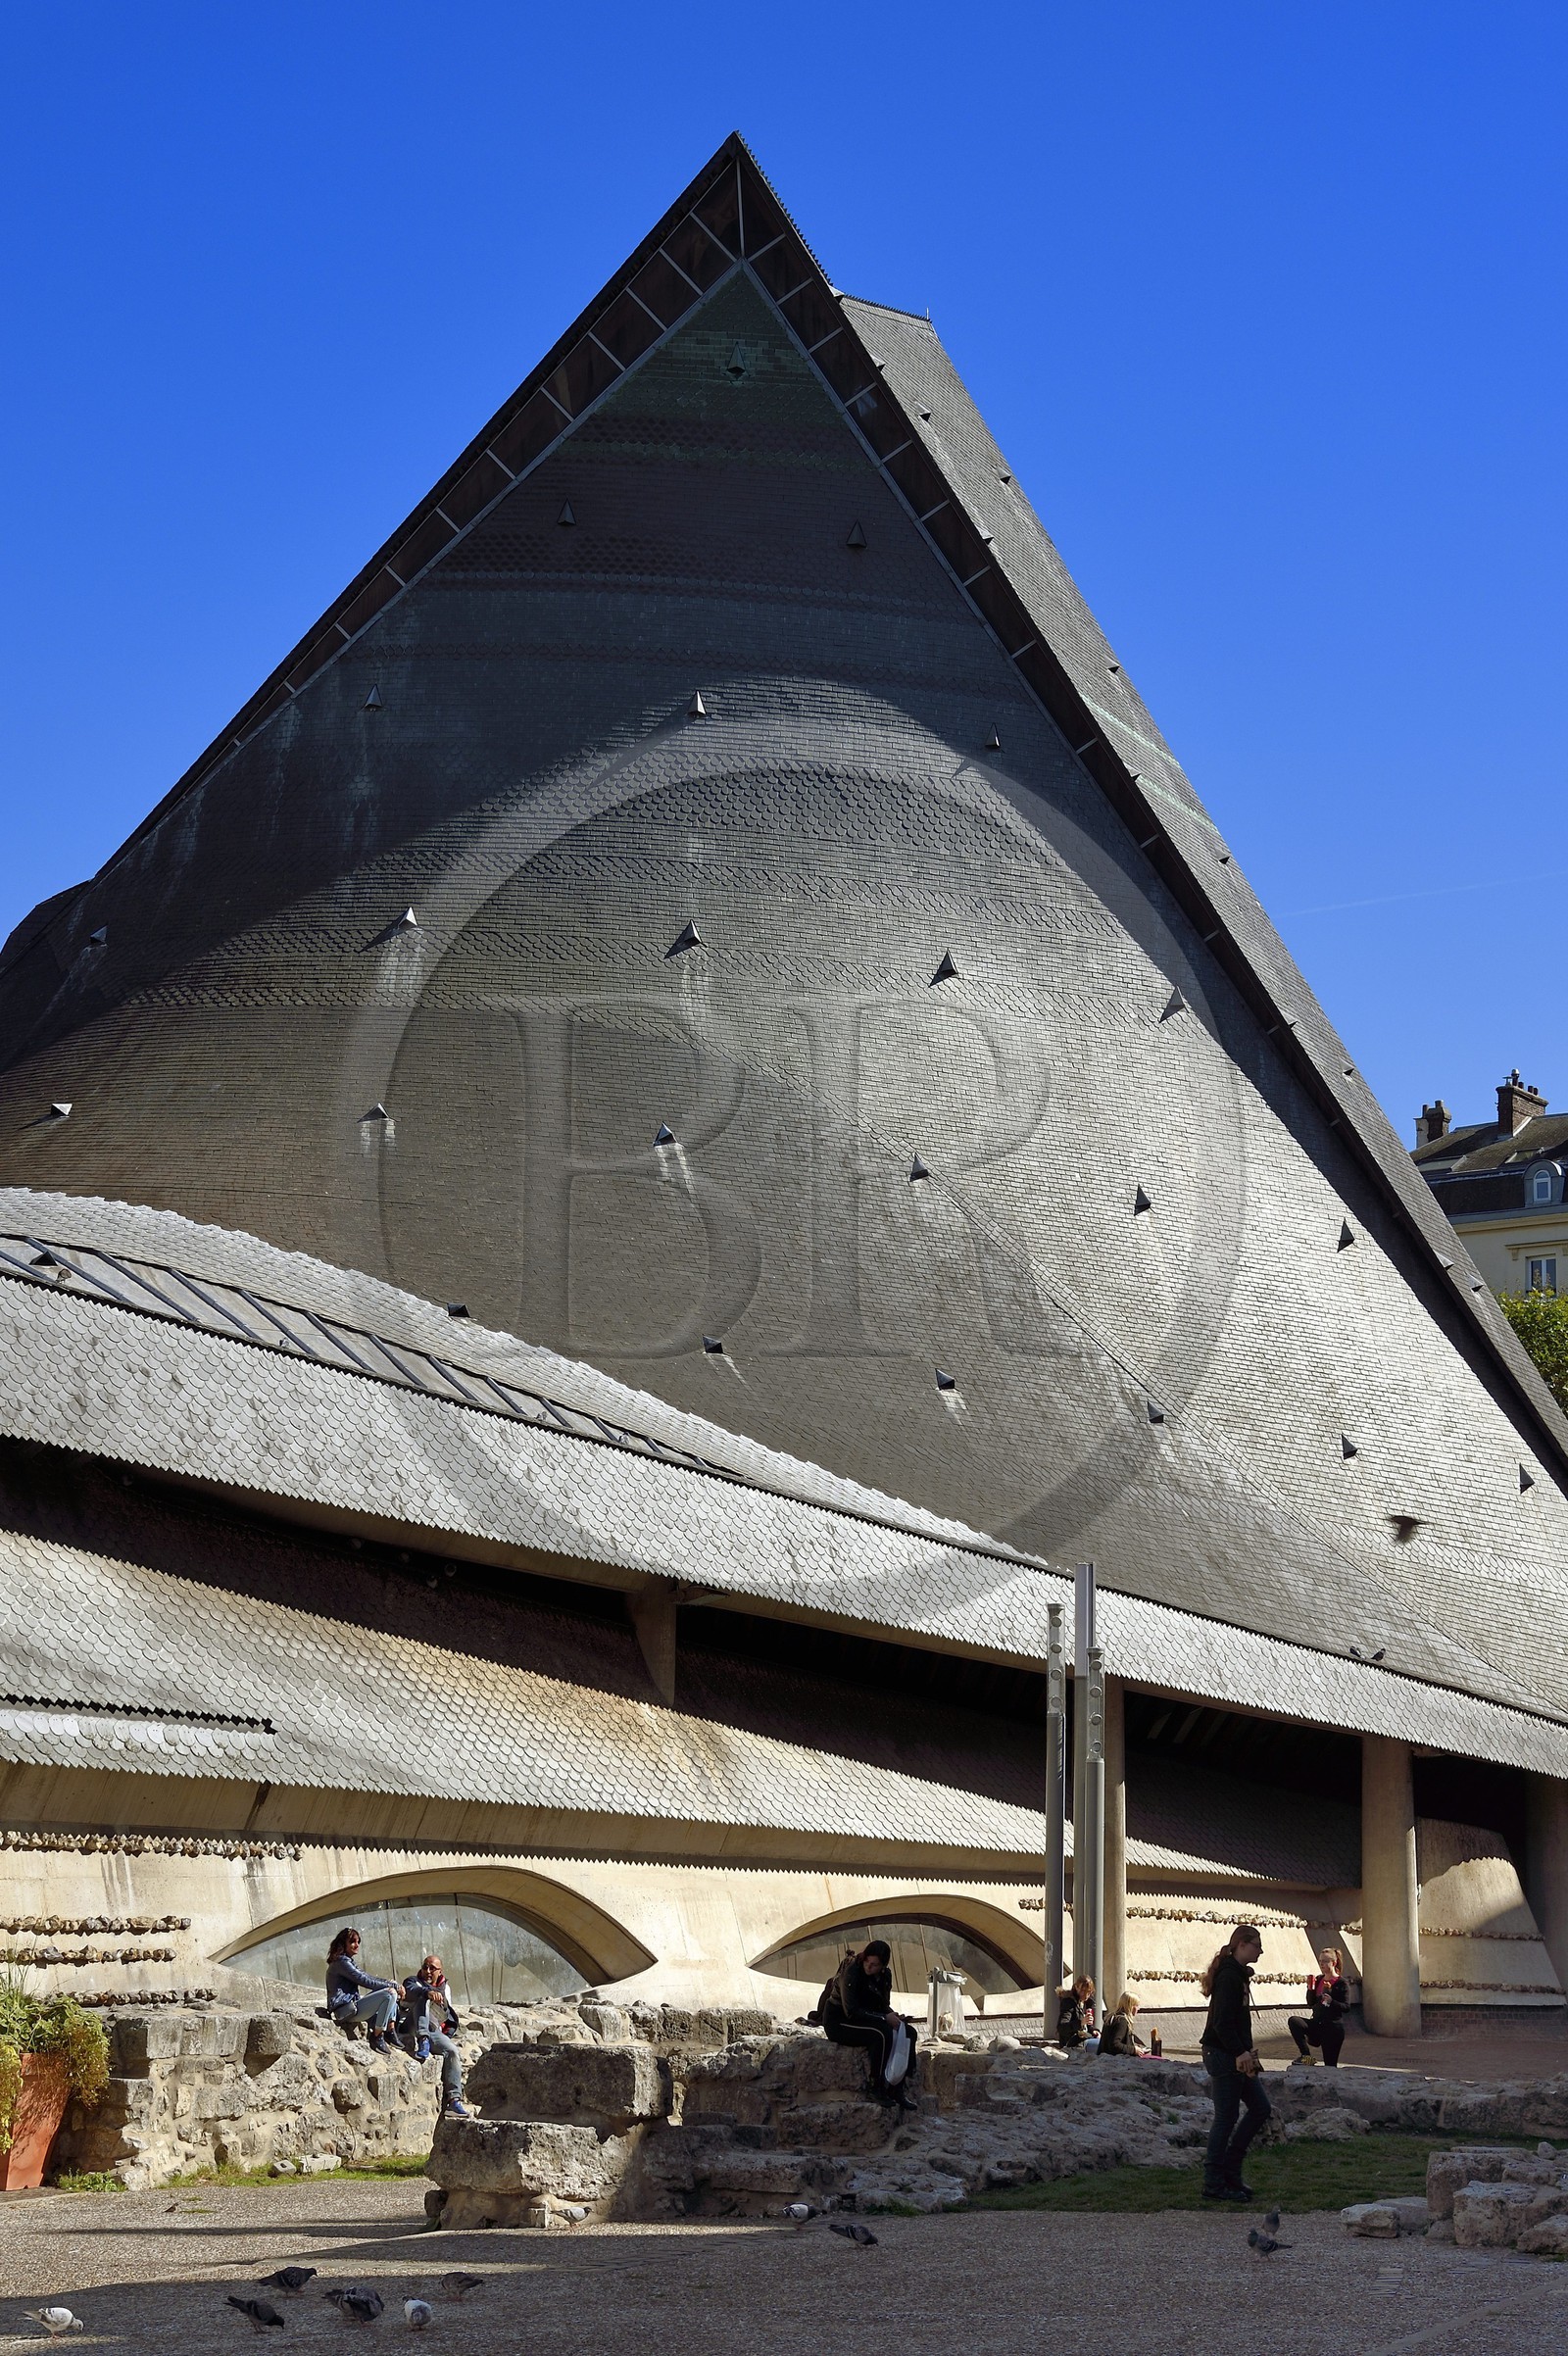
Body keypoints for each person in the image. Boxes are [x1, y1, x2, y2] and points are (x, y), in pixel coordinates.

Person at [1200, 1923, 1270, 2201]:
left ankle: (1230, 2171)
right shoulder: (1230, 1976)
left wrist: (1247, 2051)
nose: (1261, 1951)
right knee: (1226, 2118)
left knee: (1260, 2108)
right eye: (1256, 1945)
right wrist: (1240, 2052)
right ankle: (1214, 2182)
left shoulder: (1238, 1975)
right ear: (1242, 1944)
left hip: (1235, 2054)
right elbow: (1221, 2023)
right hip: (1223, 2055)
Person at [820, 1939, 918, 2109]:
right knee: (881, 2034)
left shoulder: (884, 1976)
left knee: (909, 2033)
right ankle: (876, 2086)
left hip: (867, 2016)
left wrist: (891, 2015)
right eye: (867, 1962)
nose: (869, 1967)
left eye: (874, 1965)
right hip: (841, 2020)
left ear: (882, 1965)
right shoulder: (852, 1972)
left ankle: (898, 2088)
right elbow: (851, 2010)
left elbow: (881, 2004)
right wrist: (883, 2018)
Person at [401, 1954, 470, 2117]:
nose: (428, 1971)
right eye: (425, 1967)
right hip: (412, 2025)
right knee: (423, 1997)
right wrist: (428, 1992)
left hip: (433, 2029)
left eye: (432, 1968)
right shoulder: (412, 1981)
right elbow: (411, 1991)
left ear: (440, 1971)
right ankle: (423, 2039)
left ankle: (454, 2100)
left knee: (452, 2051)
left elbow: (446, 2012)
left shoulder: (445, 1988)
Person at [324, 1927, 398, 2052]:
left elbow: (367, 1977)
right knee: (389, 1994)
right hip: (345, 2010)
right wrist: (394, 1986)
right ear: (343, 1944)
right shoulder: (342, 1962)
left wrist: (390, 1983)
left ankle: (390, 2030)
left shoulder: (347, 1961)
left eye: (358, 1942)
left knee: (391, 1987)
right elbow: (364, 1980)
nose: (357, 1945)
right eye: (352, 1942)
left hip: (352, 2007)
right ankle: (377, 2035)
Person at [1289, 1946, 1350, 2069]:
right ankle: (1306, 2056)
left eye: (1325, 1961)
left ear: (1333, 1963)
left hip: (1332, 2029)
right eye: (1320, 1961)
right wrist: (1310, 1989)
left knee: (1330, 2067)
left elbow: (1346, 2007)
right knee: (1294, 2021)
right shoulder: (1318, 1979)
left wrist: (1332, 2001)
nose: (1321, 1964)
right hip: (1317, 2024)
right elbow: (1310, 2003)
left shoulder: (1341, 1983)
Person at [1054, 1975, 1097, 2049]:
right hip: (1071, 2045)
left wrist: (1094, 2030)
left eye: (1089, 1992)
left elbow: (1088, 2026)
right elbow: (1061, 2027)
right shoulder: (1069, 2003)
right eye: (1083, 1991)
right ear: (1076, 1987)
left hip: (1084, 2041)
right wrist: (1080, 2023)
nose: (1086, 1995)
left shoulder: (1088, 2003)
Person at [1098, 1992, 1145, 2057]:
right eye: (1137, 2005)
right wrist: (1133, 2050)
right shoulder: (1122, 2021)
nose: (1138, 2009)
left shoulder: (1112, 2017)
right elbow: (1115, 2044)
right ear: (1131, 2006)